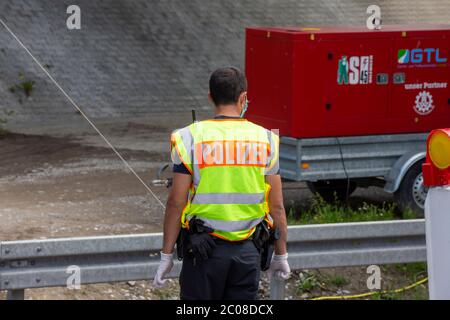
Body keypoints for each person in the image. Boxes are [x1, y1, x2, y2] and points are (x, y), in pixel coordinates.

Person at [153, 66, 290, 300]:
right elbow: (276, 206)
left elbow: (176, 202)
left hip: (203, 253)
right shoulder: (266, 139)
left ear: (210, 97)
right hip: (248, 254)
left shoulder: (188, 137)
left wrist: (166, 255)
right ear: (243, 98)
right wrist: (281, 255)